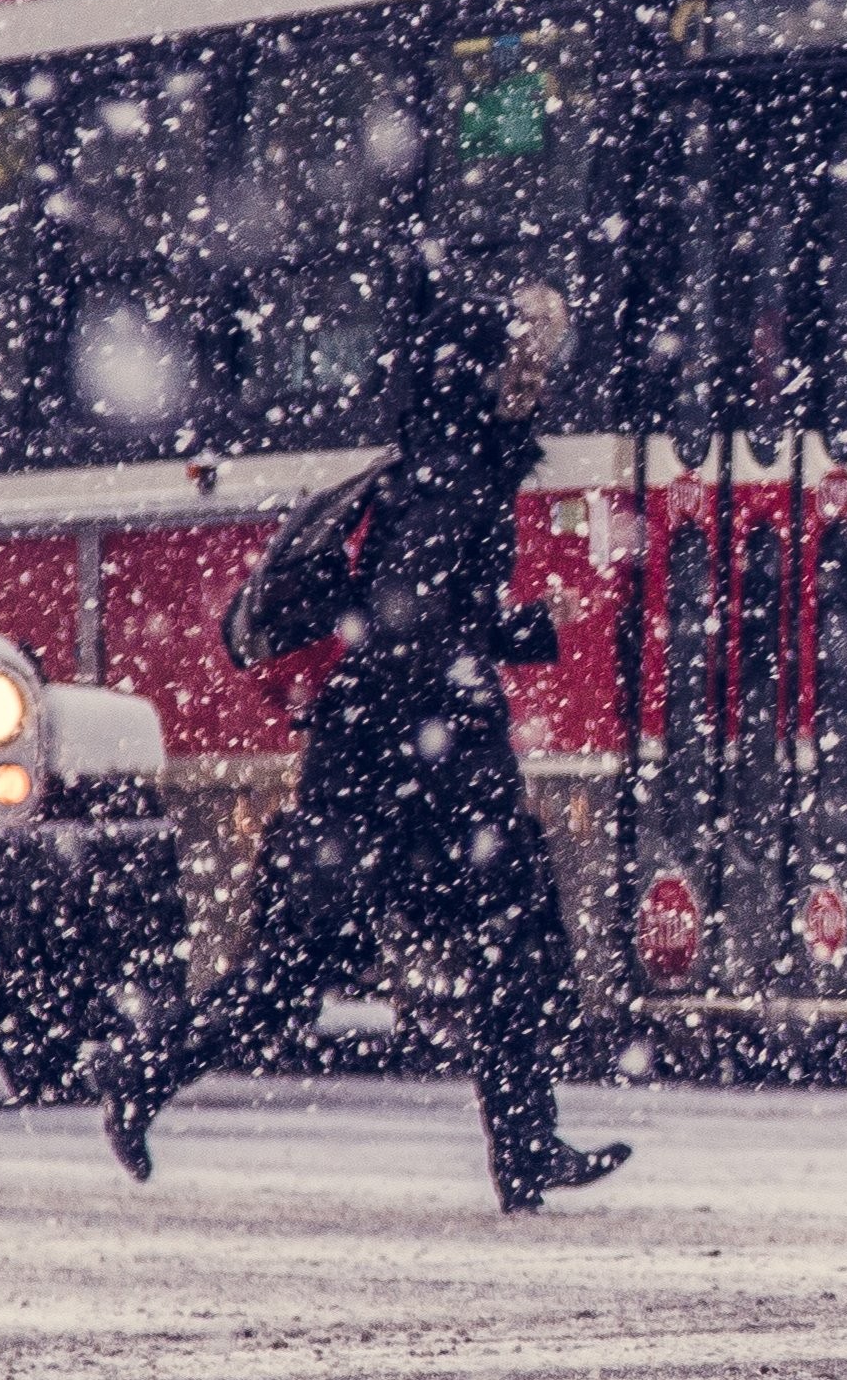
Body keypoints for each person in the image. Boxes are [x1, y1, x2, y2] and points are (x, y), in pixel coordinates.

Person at [102, 280, 631, 1213]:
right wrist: (508, 642)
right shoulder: (452, 469)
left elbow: (419, 615)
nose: (543, 376)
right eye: (531, 357)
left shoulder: (453, 459)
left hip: (404, 754)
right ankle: (144, 1074)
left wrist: (507, 637)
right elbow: (411, 623)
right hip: (402, 763)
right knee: (313, 973)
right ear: (490, 368)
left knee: (497, 936)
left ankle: (525, 1143)